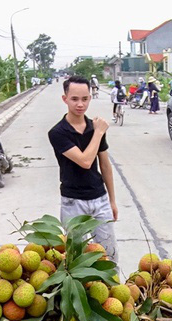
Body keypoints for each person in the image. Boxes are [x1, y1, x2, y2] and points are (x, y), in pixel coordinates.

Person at [47, 75, 119, 262]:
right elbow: (85, 161)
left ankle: (112, 289)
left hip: (99, 199)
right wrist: (98, 132)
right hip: (72, 202)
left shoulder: (94, 128)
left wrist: (112, 200)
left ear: (90, 98)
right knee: (75, 258)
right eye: (75, 99)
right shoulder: (58, 133)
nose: (80, 104)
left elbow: (105, 165)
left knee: (109, 257)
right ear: (65, 99)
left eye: (85, 99)